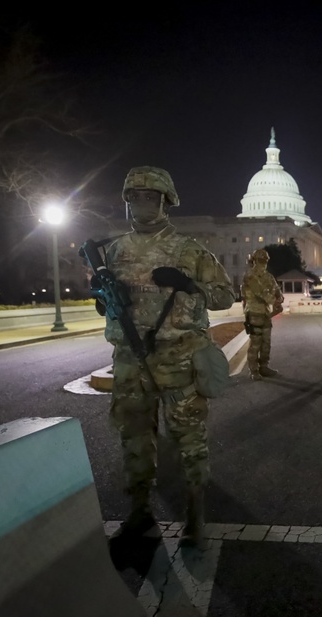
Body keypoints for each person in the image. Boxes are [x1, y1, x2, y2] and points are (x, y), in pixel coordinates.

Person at [104, 166, 235, 545]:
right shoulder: (115, 250)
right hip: (131, 359)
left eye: (148, 197)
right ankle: (139, 510)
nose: (140, 205)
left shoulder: (189, 250)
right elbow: (108, 303)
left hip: (178, 358)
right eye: (133, 198)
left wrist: (188, 284)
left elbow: (225, 296)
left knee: (189, 438)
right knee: (134, 438)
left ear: (165, 202)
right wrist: (108, 299)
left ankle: (195, 514)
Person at [240, 248, 284, 380]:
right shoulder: (250, 276)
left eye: (265, 260)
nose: (263, 263)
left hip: (265, 314)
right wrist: (275, 301)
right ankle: (253, 370)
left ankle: (264, 367)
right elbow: (262, 294)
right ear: (254, 261)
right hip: (253, 313)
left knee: (266, 343)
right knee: (255, 343)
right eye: (260, 260)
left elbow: (277, 291)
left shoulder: (268, 277)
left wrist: (280, 298)